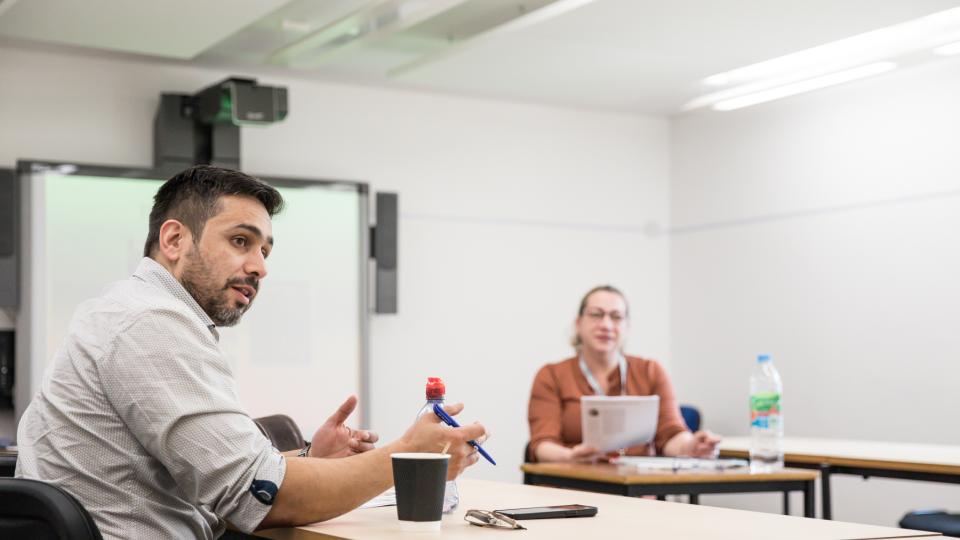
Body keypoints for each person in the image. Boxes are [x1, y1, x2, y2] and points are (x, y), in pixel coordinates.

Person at [16, 165, 486, 539]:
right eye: (241, 241)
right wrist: (410, 455)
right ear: (174, 240)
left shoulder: (130, 310)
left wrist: (308, 457)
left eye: (265, 250)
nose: (259, 267)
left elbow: (220, 477)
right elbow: (262, 498)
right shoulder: (150, 323)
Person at [527, 285, 719, 462]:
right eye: (596, 314)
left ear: (627, 326)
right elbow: (542, 444)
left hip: (634, 489)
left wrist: (691, 445)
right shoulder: (551, 375)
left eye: (616, 317)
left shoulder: (650, 371)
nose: (606, 325)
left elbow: (670, 433)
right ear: (578, 323)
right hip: (572, 486)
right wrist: (570, 456)